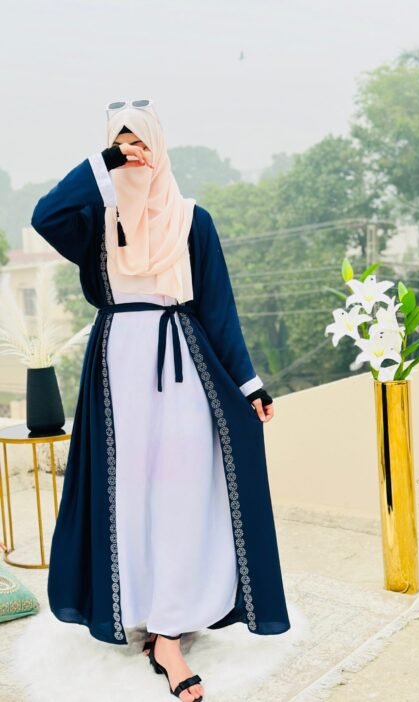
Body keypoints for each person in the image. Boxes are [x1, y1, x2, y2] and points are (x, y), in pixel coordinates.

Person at [31, 99, 291, 702]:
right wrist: (104, 162)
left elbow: (218, 308)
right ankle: (146, 613)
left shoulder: (193, 219)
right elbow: (46, 216)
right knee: (128, 497)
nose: (133, 154)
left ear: (160, 146)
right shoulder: (94, 221)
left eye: (141, 142)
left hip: (183, 372)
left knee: (180, 493)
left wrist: (249, 384)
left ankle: (170, 633)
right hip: (116, 374)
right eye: (121, 143)